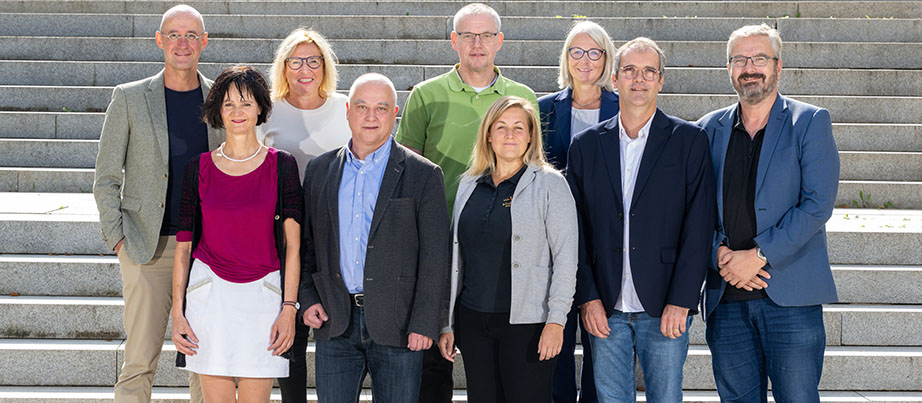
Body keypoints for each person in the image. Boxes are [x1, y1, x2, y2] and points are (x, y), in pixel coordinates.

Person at [395, 4, 538, 399]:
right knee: (431, 346)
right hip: (437, 237)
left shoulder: (522, 97)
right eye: (469, 36)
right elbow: (405, 170)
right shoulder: (426, 95)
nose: (478, 44)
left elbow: (534, 165)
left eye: (487, 35)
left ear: (500, 42)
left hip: (501, 239)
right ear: (454, 41)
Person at [565, 38, 715, 403]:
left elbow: (699, 227)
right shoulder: (585, 145)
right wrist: (588, 298)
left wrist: (682, 300)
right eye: (630, 70)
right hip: (606, 306)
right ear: (614, 79)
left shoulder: (689, 140)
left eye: (649, 72)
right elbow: (575, 231)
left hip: (665, 303)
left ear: (661, 81)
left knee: (665, 397)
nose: (639, 79)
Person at [696, 24, 839, 403]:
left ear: (778, 66)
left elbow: (817, 204)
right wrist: (720, 255)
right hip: (726, 297)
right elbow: (692, 209)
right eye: (740, 59)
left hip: (790, 297)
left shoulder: (809, 122)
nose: (750, 67)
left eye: (760, 58)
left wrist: (758, 256)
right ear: (729, 69)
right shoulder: (707, 129)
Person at [92, 5, 220, 402]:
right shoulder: (129, 98)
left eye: (191, 35)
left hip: (206, 250)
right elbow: (106, 177)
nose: (183, 43)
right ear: (159, 40)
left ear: (203, 42)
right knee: (139, 358)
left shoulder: (221, 99)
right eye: (174, 34)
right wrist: (119, 241)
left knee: (205, 360)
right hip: (147, 247)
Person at [298, 73, 451, 403]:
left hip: (398, 323)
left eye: (381, 108)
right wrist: (307, 297)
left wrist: (426, 322)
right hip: (335, 320)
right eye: (363, 107)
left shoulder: (424, 174)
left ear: (395, 114)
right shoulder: (320, 170)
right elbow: (307, 244)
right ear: (348, 111)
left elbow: (436, 256)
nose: (371, 117)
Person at [169, 65, 302, 403]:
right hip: (209, 296)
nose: (237, 112)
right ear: (218, 112)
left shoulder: (282, 165)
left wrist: (289, 308)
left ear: (260, 108)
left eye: (245, 103)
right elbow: (183, 248)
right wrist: (178, 311)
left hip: (264, 298)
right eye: (228, 104)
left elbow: (293, 247)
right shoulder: (197, 168)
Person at [437, 96, 578, 403]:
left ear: (531, 135)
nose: (510, 134)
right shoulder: (469, 183)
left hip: (528, 325)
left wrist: (556, 322)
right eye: (501, 127)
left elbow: (566, 260)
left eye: (518, 127)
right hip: (473, 322)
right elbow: (455, 259)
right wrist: (447, 323)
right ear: (488, 134)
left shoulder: (551, 185)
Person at [261, 27, 351, 403]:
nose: (305, 69)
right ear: (283, 66)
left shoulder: (346, 107)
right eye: (295, 61)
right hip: (279, 236)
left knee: (335, 329)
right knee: (289, 338)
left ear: (324, 66)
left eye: (313, 61)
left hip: (336, 235)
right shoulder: (266, 110)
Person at [537, 20, 618, 403]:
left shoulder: (626, 105)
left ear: (607, 59)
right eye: (577, 51)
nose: (585, 60)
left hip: (609, 237)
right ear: (566, 58)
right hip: (554, 239)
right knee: (558, 337)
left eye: (595, 52)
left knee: (603, 340)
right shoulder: (543, 109)